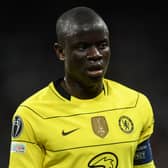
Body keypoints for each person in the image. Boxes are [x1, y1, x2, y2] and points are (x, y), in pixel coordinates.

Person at [8, 6, 156, 168]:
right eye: (82, 47)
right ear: (60, 52)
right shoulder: (32, 115)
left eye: (102, 45)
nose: (95, 55)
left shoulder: (136, 104)